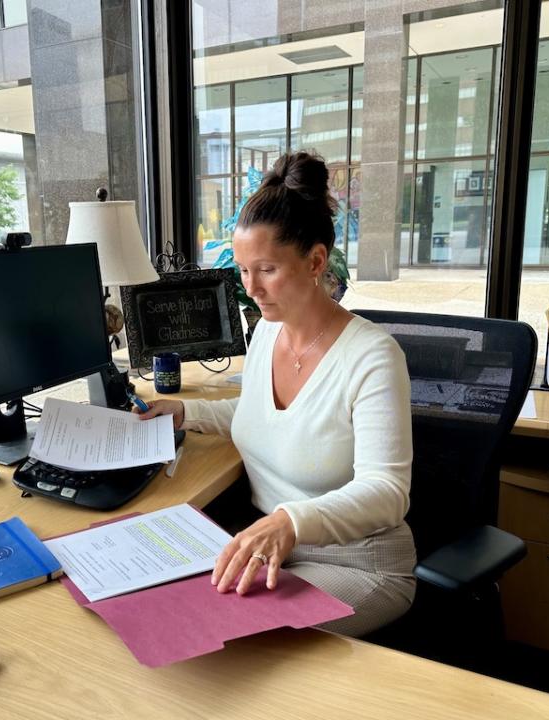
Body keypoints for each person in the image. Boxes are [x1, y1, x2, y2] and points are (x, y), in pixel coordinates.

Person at [135, 151, 415, 637]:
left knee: (239, 641)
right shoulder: (267, 332)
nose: (251, 288)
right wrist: (186, 411)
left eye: (265, 269)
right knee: (168, 606)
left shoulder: (372, 355)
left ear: (315, 261)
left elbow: (388, 492)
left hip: (359, 564)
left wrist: (289, 521)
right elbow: (258, 416)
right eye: (243, 271)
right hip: (273, 551)